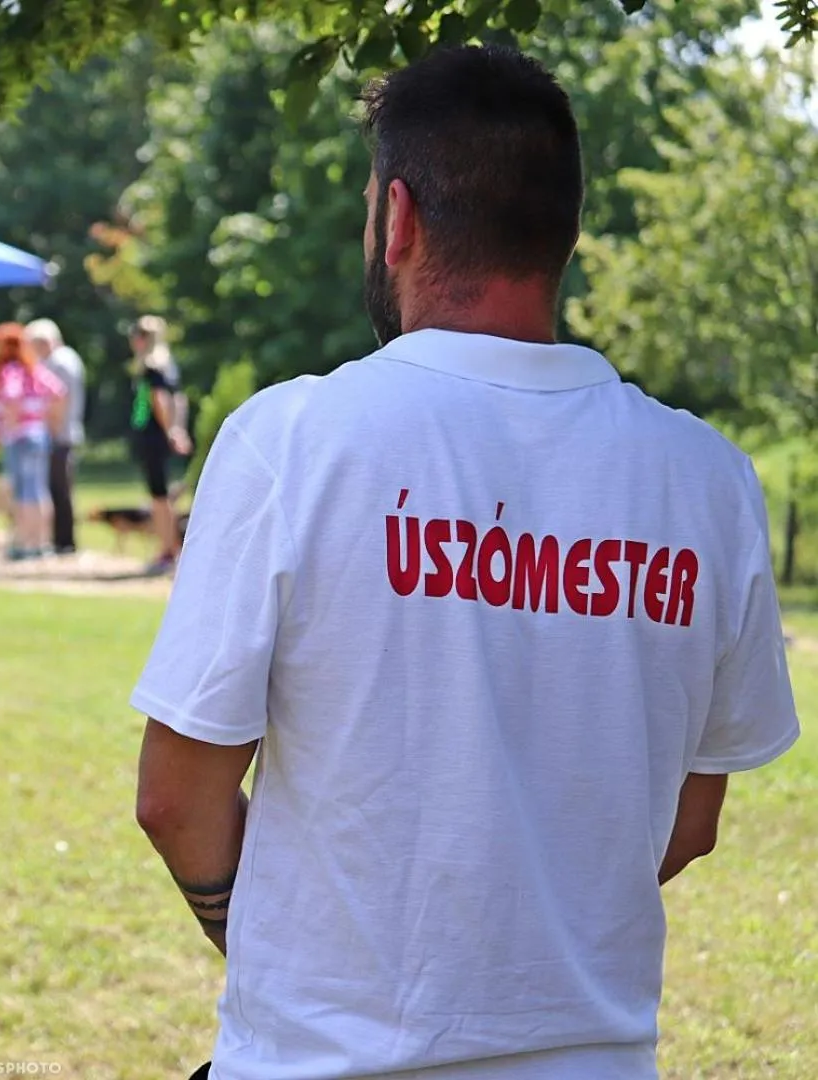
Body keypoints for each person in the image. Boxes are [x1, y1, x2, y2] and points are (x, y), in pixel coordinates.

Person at [131, 45, 799, 1080]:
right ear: (564, 236)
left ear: (397, 219)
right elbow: (691, 823)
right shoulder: (707, 481)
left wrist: (273, 938)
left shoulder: (295, 441)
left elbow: (177, 799)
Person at [0, 322, 66, 561]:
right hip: (38, 434)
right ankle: (41, 541)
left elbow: (11, 399)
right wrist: (51, 424)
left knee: (23, 491)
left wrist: (5, 429)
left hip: (20, 437)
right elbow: (58, 393)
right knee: (39, 490)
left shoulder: (10, 370)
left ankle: (24, 542)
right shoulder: (35, 369)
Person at [127, 315, 192, 576]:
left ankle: (167, 550)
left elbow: (161, 400)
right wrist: (179, 429)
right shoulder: (168, 365)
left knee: (159, 497)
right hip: (161, 435)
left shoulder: (152, 367)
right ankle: (169, 548)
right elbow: (180, 399)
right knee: (163, 496)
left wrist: (170, 431)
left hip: (154, 436)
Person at [26, 318, 85, 555]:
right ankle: (62, 540)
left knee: (60, 488)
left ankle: (64, 542)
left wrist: (51, 428)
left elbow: (59, 399)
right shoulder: (67, 358)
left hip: (59, 433)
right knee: (60, 487)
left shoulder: (59, 362)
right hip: (63, 432)